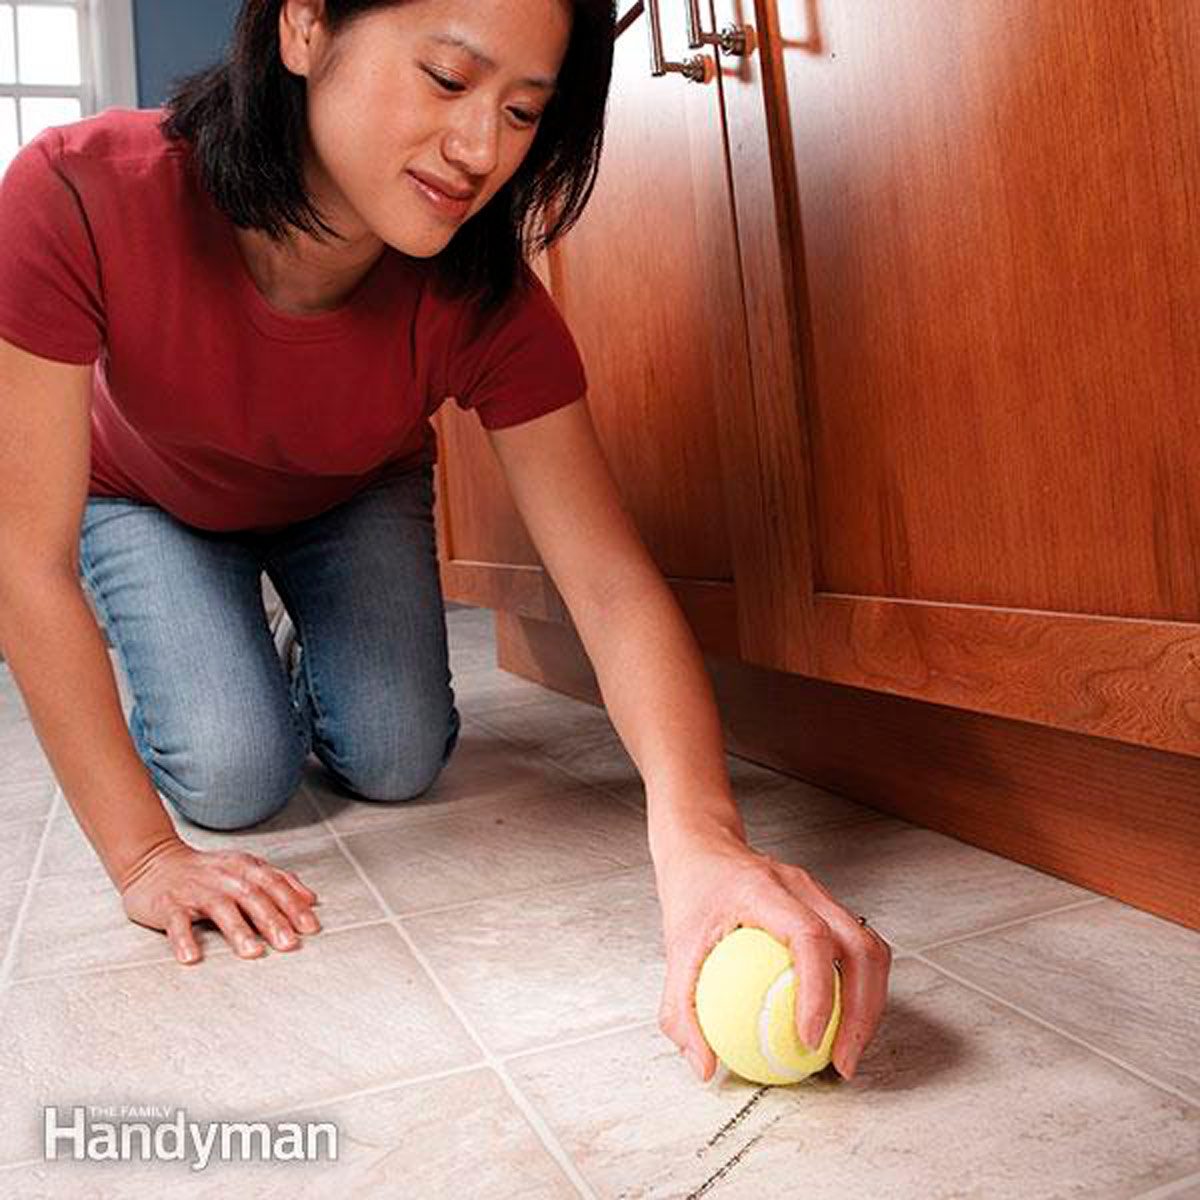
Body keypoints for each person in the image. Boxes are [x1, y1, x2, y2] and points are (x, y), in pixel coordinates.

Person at [0, 0, 889, 1084]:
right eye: (446, 79)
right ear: (305, 27)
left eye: (522, 111)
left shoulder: (485, 296)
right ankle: (210, 620)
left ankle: (281, 632)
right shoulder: (76, 191)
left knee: (397, 754)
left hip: (348, 492)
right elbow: (24, 556)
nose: (481, 151)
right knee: (235, 777)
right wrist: (141, 855)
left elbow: (607, 584)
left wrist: (701, 840)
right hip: (145, 497)